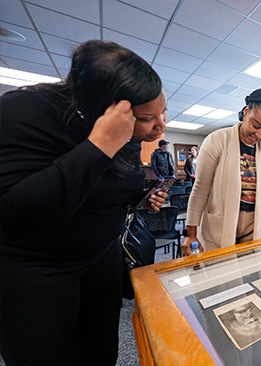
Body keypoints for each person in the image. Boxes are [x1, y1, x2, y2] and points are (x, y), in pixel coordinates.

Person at [0, 40, 167, 365]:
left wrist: (140, 201)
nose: (161, 126)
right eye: (148, 118)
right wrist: (100, 145)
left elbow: (109, 188)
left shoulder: (131, 137)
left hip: (99, 257)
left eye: (163, 112)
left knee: (101, 352)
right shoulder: (23, 110)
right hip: (36, 266)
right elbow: (15, 214)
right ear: (104, 112)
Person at [183, 89, 261, 255]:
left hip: (254, 224)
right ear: (245, 113)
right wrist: (191, 233)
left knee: (250, 273)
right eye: (256, 125)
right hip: (221, 222)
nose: (259, 135)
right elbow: (200, 189)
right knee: (220, 272)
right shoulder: (217, 140)